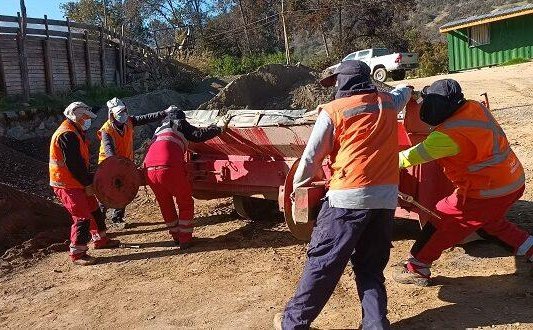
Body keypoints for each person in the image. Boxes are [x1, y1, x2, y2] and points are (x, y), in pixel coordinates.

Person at [274, 60, 412, 330]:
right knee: (371, 268)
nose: (334, 86)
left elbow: (312, 158)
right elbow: (401, 95)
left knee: (323, 264)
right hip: (384, 200)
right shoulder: (386, 103)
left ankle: (292, 324)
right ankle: (375, 325)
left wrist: (296, 188)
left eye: (336, 82)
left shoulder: (334, 111)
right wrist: (409, 88)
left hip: (347, 199)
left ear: (343, 82)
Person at [394, 79, 533, 286]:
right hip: (512, 179)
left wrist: (373, 164)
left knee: (441, 219)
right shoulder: (474, 108)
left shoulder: (447, 136)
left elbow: (406, 159)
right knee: (491, 223)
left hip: (486, 192)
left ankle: (417, 268)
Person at [143, 107, 230, 249]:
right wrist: (217, 128)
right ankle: (185, 239)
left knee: (165, 203)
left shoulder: (159, 128)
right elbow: (198, 135)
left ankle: (176, 237)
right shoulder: (179, 124)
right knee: (185, 202)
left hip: (149, 169)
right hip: (168, 166)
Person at [49, 102, 120, 266]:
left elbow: (79, 163)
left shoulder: (75, 131)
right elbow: (74, 164)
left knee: (94, 209)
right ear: (77, 117)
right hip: (66, 183)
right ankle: (78, 253)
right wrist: (87, 182)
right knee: (81, 217)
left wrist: (87, 180)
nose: (88, 120)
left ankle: (101, 239)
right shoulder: (67, 135)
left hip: (75, 180)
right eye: (86, 117)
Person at [97, 97, 171, 228]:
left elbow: (146, 118)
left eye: (124, 111)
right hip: (108, 166)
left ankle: (118, 218)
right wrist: (116, 167)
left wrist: (165, 112)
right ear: (112, 114)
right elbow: (109, 150)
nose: (123, 115)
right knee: (106, 194)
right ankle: (99, 222)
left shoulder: (129, 121)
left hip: (125, 164)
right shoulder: (106, 130)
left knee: (124, 190)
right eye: (119, 113)